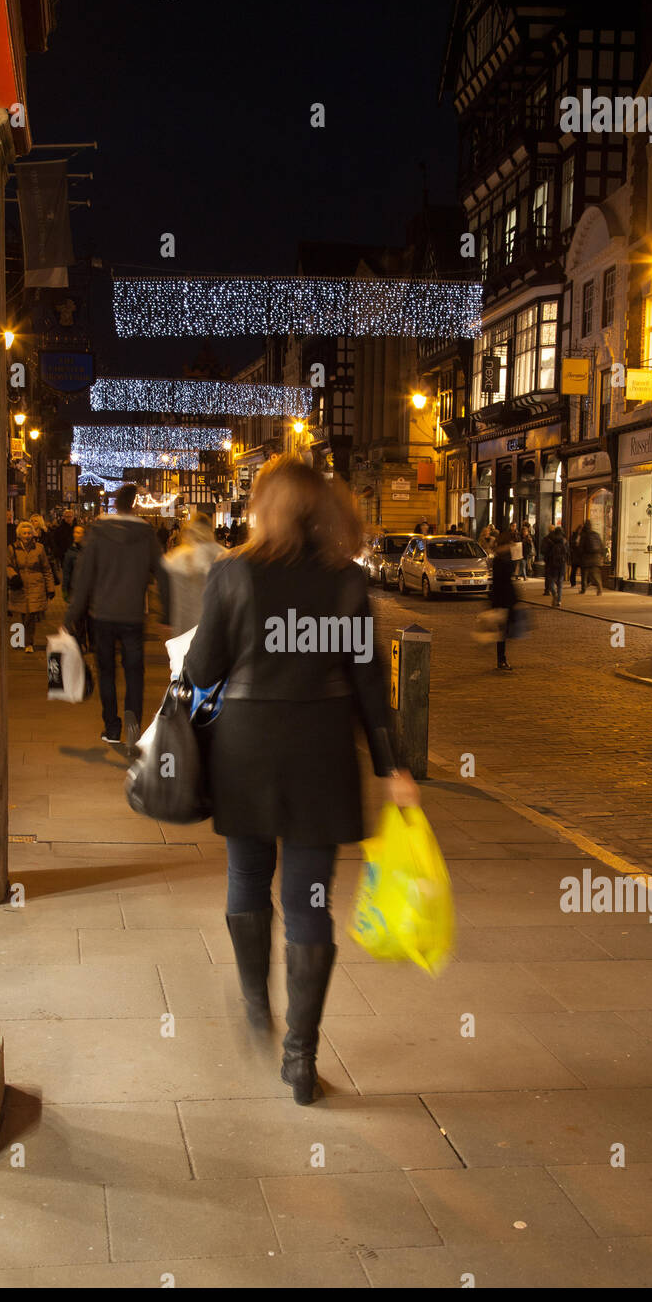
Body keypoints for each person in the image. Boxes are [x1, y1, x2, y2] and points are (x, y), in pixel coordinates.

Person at [183, 456, 419, 1106]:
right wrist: (393, 764)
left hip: (247, 749)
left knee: (247, 876)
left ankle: (257, 1003)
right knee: (311, 900)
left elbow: (203, 670)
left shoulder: (233, 572)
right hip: (321, 753)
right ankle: (300, 1062)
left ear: (266, 508)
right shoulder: (346, 580)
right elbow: (371, 681)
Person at [64, 482, 170, 748]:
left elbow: (84, 576)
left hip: (102, 615)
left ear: (115, 503)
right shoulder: (147, 534)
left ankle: (112, 728)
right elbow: (164, 574)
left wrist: (72, 615)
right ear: (134, 504)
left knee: (107, 672)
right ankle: (133, 727)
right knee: (135, 673)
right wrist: (166, 615)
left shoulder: (99, 531)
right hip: (134, 616)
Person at [163, 513, 224, 639]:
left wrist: (166, 618)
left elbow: (169, 594)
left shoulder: (177, 558)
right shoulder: (223, 556)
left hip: (184, 629)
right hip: (216, 630)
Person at [8, 519, 55, 653]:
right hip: (19, 585)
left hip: (36, 585)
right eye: (24, 533)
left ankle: (29, 643)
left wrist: (50, 588)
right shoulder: (12, 548)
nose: (27, 535)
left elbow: (46, 569)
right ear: (19, 535)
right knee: (19, 614)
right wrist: (13, 576)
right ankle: (18, 640)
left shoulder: (39, 548)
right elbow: (8, 565)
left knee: (30, 616)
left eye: (29, 533)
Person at [488, 527, 518, 671]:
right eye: (509, 543)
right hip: (503, 599)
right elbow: (504, 580)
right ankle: (501, 659)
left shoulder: (501, 559)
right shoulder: (502, 560)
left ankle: (501, 657)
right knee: (503, 631)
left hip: (504, 599)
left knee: (504, 630)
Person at [542, 525, 569, 607]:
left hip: (551, 564)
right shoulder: (565, 541)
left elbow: (543, 550)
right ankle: (559, 601)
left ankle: (554, 594)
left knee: (550, 582)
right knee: (560, 584)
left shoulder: (548, 539)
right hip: (562, 564)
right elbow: (568, 553)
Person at [30, 513, 59, 583]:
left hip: (44, 562)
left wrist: (51, 556)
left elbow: (53, 546)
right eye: (31, 521)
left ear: (40, 522)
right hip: (32, 563)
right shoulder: (28, 534)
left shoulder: (46, 534)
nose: (33, 523)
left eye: (35, 521)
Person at [579, 519, 604, 595]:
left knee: (584, 574)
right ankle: (599, 589)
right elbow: (601, 546)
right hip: (596, 557)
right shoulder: (596, 534)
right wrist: (601, 556)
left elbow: (581, 547)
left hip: (586, 558)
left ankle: (583, 589)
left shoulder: (584, 535)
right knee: (596, 574)